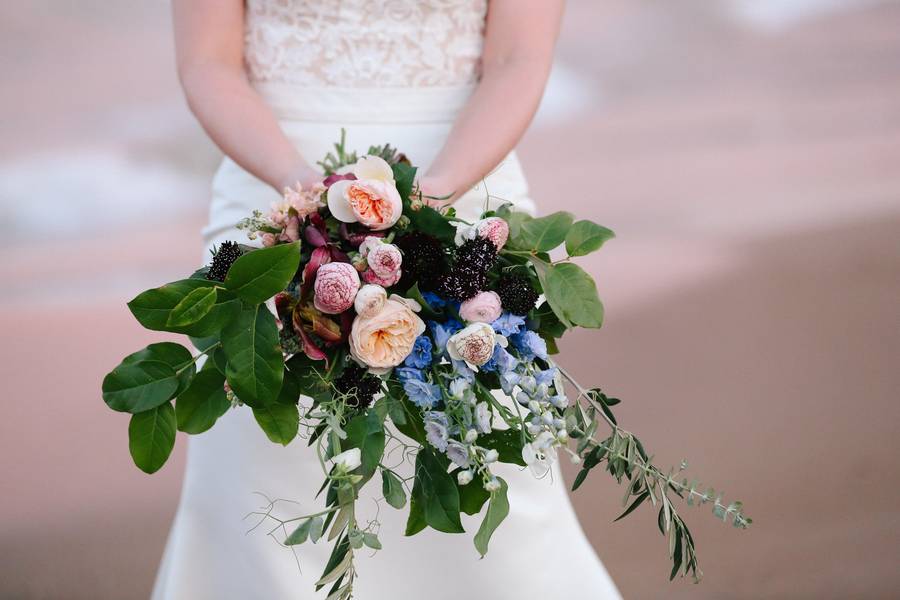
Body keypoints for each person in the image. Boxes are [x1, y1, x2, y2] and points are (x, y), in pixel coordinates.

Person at [153, 1, 621, 598]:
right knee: (261, 459)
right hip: (269, 185)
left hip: (467, 177)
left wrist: (432, 201)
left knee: (487, 451)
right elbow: (207, 60)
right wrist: (307, 198)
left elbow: (517, 56)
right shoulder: (287, 195)